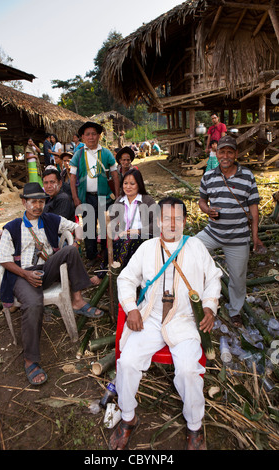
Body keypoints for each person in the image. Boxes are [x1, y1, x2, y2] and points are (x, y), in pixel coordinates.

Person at [109, 197, 222, 450]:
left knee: (188, 370)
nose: (173, 223)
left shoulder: (195, 247)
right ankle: (128, 417)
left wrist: (209, 306)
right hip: (149, 317)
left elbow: (213, 278)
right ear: (159, 220)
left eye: (178, 218)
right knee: (127, 362)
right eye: (167, 218)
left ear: (185, 220)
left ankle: (194, 426)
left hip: (184, 319)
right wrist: (132, 309)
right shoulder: (147, 248)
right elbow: (125, 279)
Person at [0, 183, 103, 386]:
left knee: (70, 251)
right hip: (22, 274)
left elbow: (77, 227)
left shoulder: (51, 219)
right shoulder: (11, 228)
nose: (37, 206)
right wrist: (26, 274)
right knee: (34, 304)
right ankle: (30, 360)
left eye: (41, 201)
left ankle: (77, 301)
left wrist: (76, 243)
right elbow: (3, 260)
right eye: (33, 201)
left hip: (47, 269)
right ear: (24, 203)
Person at [196, 135, 265, 328]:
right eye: (222, 152)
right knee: (190, 249)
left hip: (238, 237)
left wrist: (255, 236)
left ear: (235, 154)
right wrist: (206, 210)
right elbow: (202, 200)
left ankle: (235, 311)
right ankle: (198, 296)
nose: (225, 155)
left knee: (238, 278)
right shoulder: (208, 175)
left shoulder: (247, 176)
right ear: (216, 153)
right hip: (213, 233)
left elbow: (253, 208)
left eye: (229, 152)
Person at [0, 169, 75, 286]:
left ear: (59, 183)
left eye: (52, 182)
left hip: (55, 240)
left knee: (14, 245)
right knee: (10, 243)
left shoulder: (62, 198)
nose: (49, 186)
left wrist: (76, 243)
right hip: (41, 235)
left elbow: (54, 226)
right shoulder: (48, 198)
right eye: (45, 183)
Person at [91, 168, 157, 284]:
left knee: (128, 242)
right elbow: (111, 221)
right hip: (124, 237)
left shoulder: (147, 200)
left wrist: (138, 231)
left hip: (144, 237)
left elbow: (156, 224)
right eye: (125, 183)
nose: (128, 187)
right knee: (114, 246)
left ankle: (113, 276)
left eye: (132, 183)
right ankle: (113, 274)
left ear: (139, 185)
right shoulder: (120, 201)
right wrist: (119, 231)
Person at [69, 121, 120, 262]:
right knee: (88, 227)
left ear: (99, 136)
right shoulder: (78, 155)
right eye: (87, 134)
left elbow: (115, 175)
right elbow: (72, 178)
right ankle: (91, 255)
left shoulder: (106, 153)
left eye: (94, 134)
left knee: (105, 226)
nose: (91, 137)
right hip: (86, 198)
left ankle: (105, 252)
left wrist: (117, 195)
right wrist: (75, 198)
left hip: (105, 197)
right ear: (83, 137)